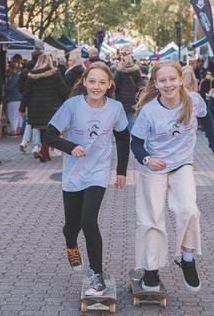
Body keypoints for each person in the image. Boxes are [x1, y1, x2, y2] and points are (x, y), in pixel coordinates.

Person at [130, 61, 214, 293]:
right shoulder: (149, 111)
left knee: (189, 209)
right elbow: (136, 143)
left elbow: (207, 120)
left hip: (182, 164)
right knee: (152, 218)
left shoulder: (193, 101)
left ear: (180, 79)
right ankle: (151, 271)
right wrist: (147, 159)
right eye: (162, 80)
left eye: (172, 79)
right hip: (153, 167)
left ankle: (187, 258)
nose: (168, 84)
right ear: (155, 83)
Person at [42, 61, 129, 296]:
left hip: (98, 171)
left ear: (110, 84)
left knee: (89, 221)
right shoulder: (72, 106)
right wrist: (71, 147)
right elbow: (47, 135)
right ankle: (70, 243)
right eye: (92, 81)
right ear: (84, 82)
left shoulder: (116, 108)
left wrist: (121, 171)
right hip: (73, 174)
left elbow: (122, 138)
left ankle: (96, 276)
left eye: (102, 82)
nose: (96, 86)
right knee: (73, 225)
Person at [21, 53, 69, 162]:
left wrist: (22, 108)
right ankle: (44, 150)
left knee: (42, 130)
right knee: (50, 130)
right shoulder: (55, 73)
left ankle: (44, 151)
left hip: (35, 108)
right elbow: (63, 90)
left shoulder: (31, 75)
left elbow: (26, 93)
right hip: (52, 107)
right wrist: (68, 102)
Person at [114, 55, 142, 130]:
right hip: (133, 98)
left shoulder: (119, 72)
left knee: (121, 120)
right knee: (131, 119)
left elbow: (115, 86)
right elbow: (140, 84)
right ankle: (133, 136)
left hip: (121, 99)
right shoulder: (136, 71)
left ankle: (124, 137)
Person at [5, 60, 24, 136]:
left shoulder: (14, 77)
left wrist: (5, 87)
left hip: (13, 98)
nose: (8, 69)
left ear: (13, 69)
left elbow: (9, 87)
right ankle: (18, 129)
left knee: (12, 115)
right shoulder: (19, 75)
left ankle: (14, 131)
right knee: (18, 115)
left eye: (9, 68)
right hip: (19, 97)